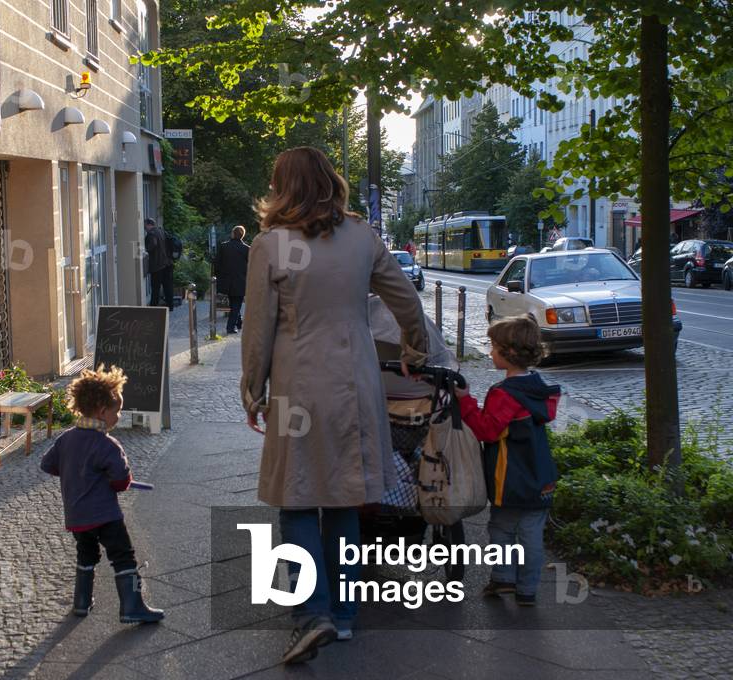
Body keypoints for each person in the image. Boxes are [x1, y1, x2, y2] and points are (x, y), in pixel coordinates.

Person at [241, 147, 428, 663]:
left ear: (282, 187)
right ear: (332, 181)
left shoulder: (271, 245)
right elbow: (407, 302)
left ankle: (311, 613)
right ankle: (343, 616)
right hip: (355, 381)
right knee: (344, 497)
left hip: (299, 385)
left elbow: (257, 330)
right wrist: (414, 350)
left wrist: (252, 390)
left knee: (297, 497)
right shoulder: (363, 238)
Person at [40, 366, 164, 624]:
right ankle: (132, 606)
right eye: (116, 411)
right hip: (105, 515)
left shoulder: (66, 440)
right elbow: (120, 480)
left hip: (77, 516)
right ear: (102, 412)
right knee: (122, 555)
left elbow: (48, 464)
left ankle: (81, 602)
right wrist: (119, 481)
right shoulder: (107, 445)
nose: (118, 416)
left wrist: (72, 473)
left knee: (86, 554)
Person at [455, 315, 561, 606]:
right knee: (531, 535)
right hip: (540, 475)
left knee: (502, 528)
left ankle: (503, 578)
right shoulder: (537, 388)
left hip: (510, 476)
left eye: (493, 347)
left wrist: (465, 401)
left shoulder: (504, 394)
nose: (490, 352)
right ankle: (527, 590)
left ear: (509, 352)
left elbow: (488, 430)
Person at [215, 225, 250, 334]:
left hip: (227, 281)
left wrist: (219, 276)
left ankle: (236, 324)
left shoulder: (224, 247)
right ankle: (232, 327)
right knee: (236, 304)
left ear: (233, 234)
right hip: (241, 281)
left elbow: (217, 264)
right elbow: (251, 266)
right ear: (242, 235)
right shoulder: (247, 249)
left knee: (234, 304)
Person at [144, 218, 174, 310]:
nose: (145, 228)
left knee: (155, 286)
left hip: (158, 265)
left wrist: (146, 249)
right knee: (167, 285)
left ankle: (154, 306)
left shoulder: (152, 233)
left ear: (149, 225)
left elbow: (153, 244)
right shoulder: (162, 231)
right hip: (168, 263)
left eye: (145, 226)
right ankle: (170, 305)